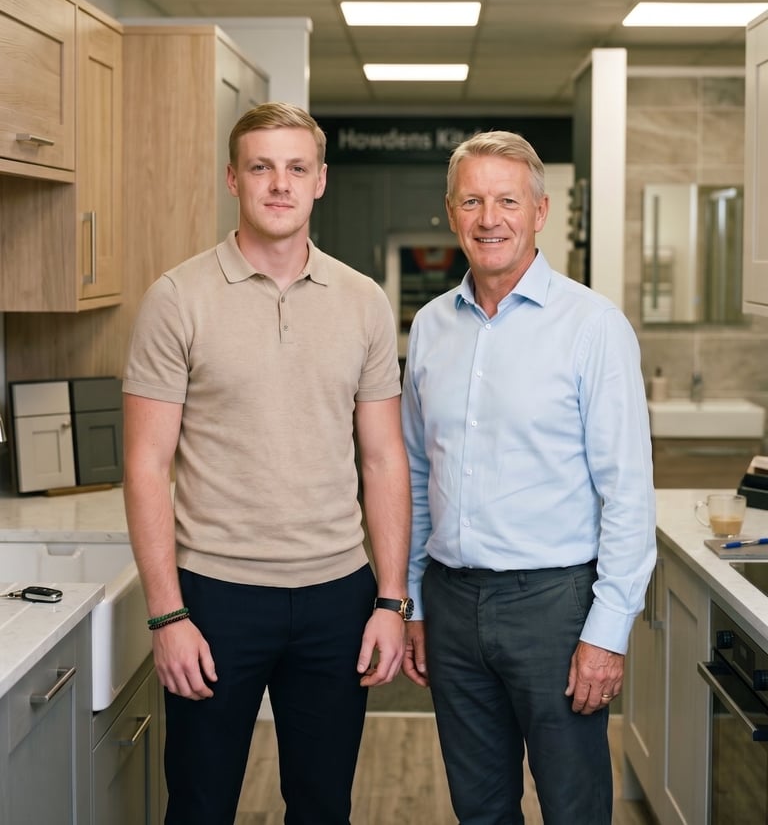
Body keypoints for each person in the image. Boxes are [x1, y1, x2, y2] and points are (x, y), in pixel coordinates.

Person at [122, 101, 412, 825]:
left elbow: (383, 459)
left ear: (320, 182)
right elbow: (146, 465)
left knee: (322, 806)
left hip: (336, 594)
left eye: (296, 168)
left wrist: (390, 600)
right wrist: (167, 615)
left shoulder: (363, 302)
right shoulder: (176, 299)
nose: (279, 184)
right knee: (198, 803)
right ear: (233, 179)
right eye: (261, 167)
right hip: (216, 597)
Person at [400, 130, 656, 825]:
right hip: (451, 606)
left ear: (539, 211)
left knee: (573, 808)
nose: (491, 218)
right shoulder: (428, 328)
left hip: (555, 607)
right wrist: (416, 605)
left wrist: (607, 632)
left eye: (508, 200)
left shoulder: (592, 327)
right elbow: (419, 477)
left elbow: (628, 493)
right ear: (452, 212)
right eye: (473, 201)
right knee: (479, 809)